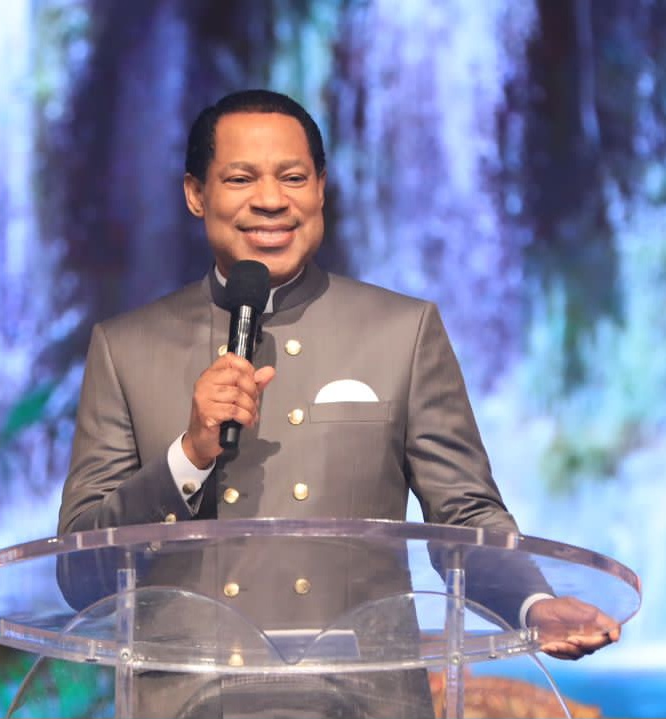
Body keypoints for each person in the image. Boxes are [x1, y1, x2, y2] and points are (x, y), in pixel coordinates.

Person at [57, 89, 619, 716]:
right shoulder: (126, 348)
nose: (271, 200)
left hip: (361, 702)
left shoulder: (401, 332)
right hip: (189, 704)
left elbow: (464, 513)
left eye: (293, 177)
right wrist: (188, 457)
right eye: (241, 179)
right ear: (196, 193)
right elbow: (79, 574)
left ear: (321, 189)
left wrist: (533, 604)